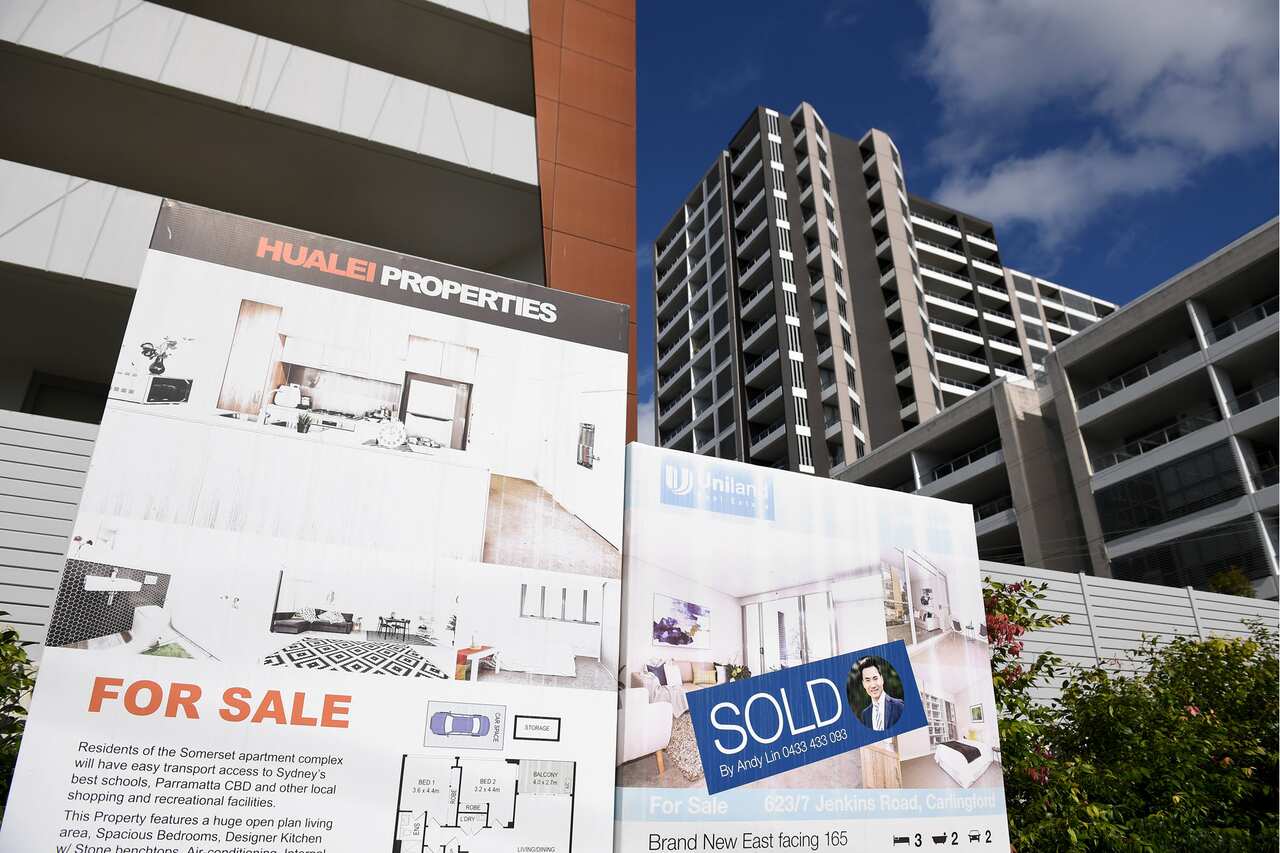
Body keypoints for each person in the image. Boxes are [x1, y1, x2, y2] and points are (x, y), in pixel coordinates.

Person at [857, 659, 903, 731]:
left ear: (882, 679)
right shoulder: (865, 715)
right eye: (868, 680)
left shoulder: (898, 706)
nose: (873, 685)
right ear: (863, 684)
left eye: (875, 678)